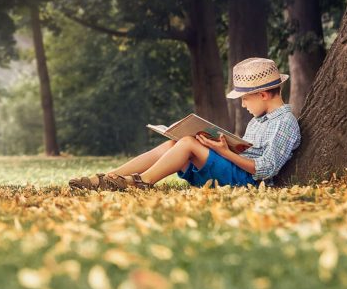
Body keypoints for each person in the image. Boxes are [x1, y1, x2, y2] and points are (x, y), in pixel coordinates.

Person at [68, 57, 301, 191]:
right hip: (235, 169)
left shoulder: (284, 123)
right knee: (174, 143)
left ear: (262, 95)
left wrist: (223, 152)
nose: (242, 105)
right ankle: (109, 177)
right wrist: (221, 145)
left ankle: (142, 182)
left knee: (188, 143)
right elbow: (247, 152)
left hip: (248, 181)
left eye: (245, 98)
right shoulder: (258, 121)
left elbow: (266, 169)